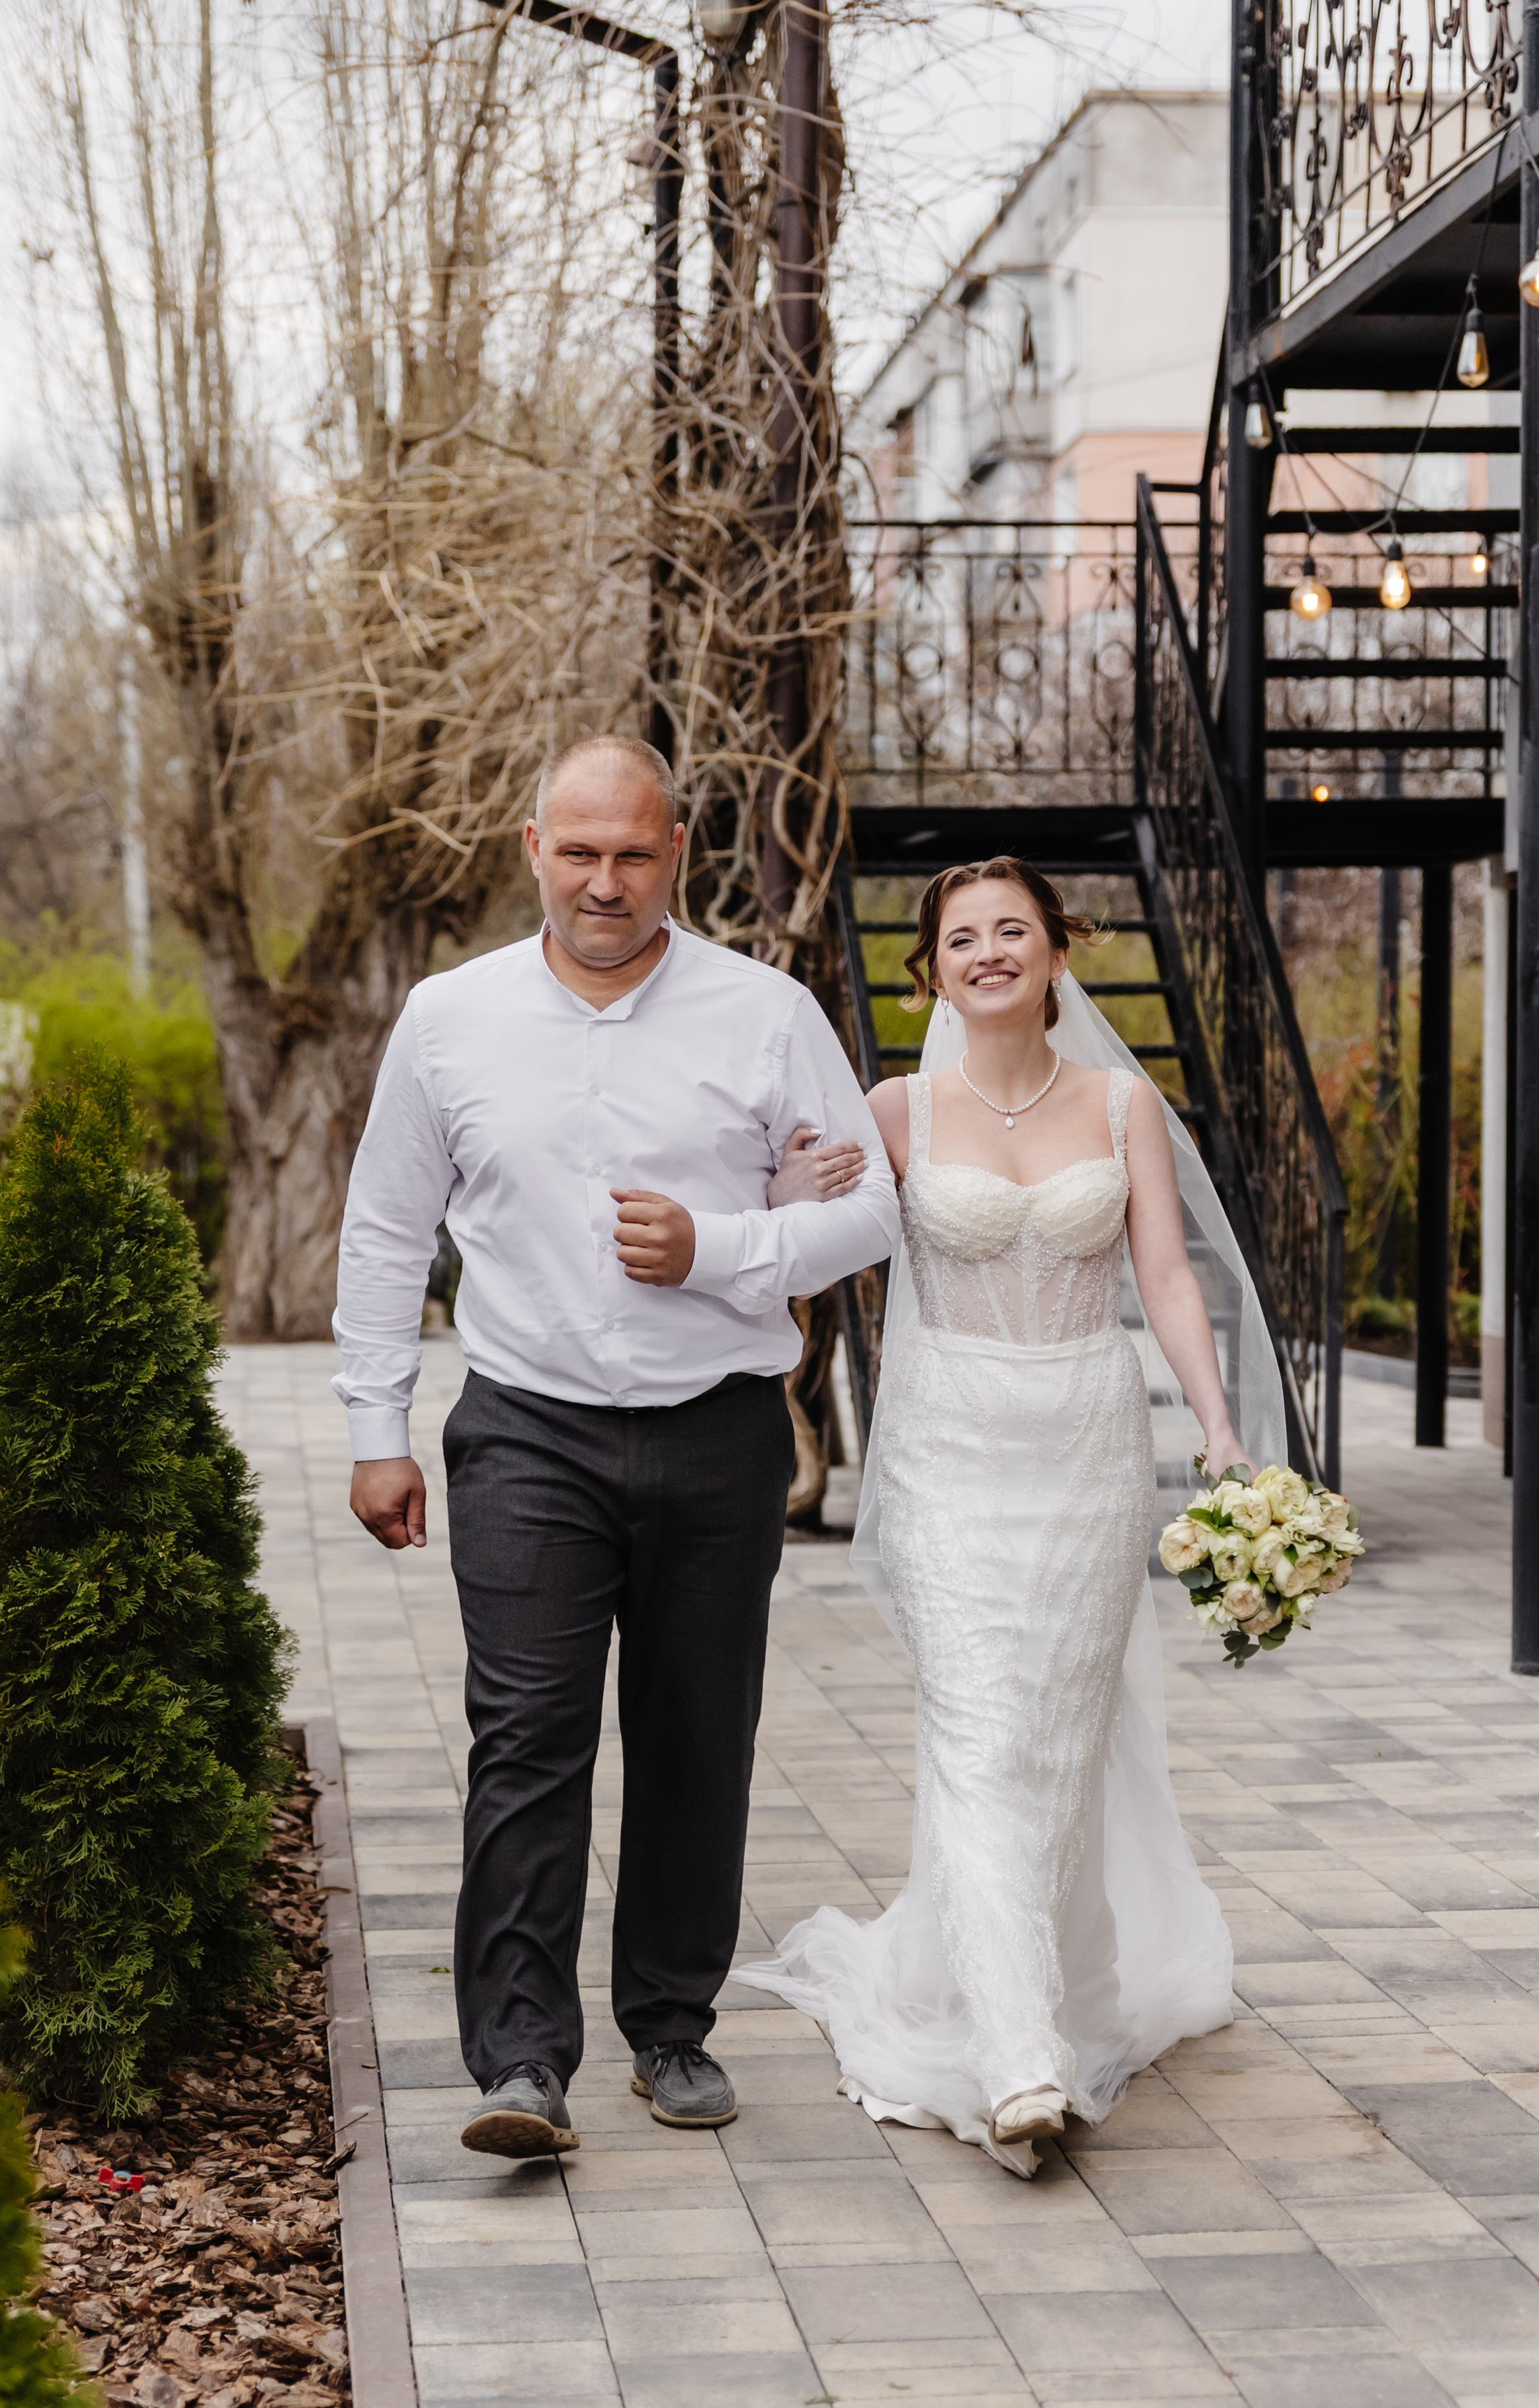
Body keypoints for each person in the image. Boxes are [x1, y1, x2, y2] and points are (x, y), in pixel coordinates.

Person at [332, 733, 899, 2159]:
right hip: (525, 1428)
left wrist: (719, 1245)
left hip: (715, 1434)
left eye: (630, 853)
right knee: (524, 1739)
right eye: (577, 851)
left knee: (696, 1736)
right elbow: (388, 1226)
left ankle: (670, 2024)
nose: (602, 879)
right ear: (532, 849)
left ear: (676, 857)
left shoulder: (765, 1015)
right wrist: (372, 1428)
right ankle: (520, 2059)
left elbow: (871, 1207)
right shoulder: (448, 1018)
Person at [738, 856, 1284, 2176]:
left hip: (1085, 1446)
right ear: (929, 965)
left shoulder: (1118, 1105)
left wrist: (1214, 1425)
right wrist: (782, 1206)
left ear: (1054, 952)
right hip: (945, 1452)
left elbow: (1161, 1267)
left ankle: (1008, 1983)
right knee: (980, 1732)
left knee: (1053, 1734)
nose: (986, 950)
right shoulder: (894, 1110)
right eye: (961, 935)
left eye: (1011, 930)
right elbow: (808, 1248)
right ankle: (1017, 2059)